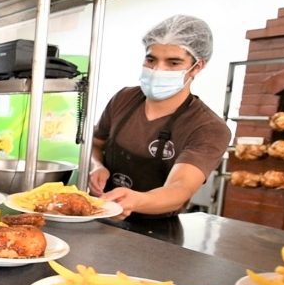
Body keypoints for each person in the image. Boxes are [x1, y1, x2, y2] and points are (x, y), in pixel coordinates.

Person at [89, 14, 231, 220]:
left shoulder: (207, 127)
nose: (158, 70)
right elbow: (95, 145)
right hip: (99, 214)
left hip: (157, 229)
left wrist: (135, 201)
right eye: (151, 59)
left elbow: (180, 188)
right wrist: (96, 166)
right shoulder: (124, 98)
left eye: (173, 63)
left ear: (197, 67)